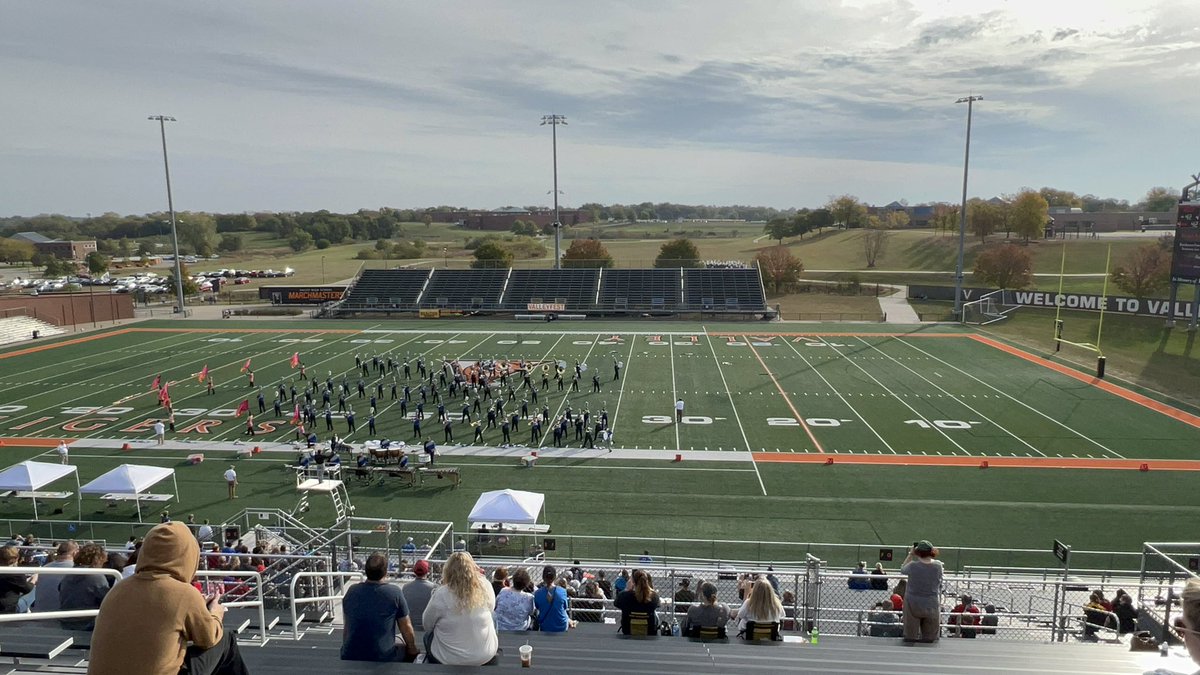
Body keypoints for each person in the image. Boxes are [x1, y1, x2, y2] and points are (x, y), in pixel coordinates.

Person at [88, 521, 249, 675]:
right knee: (226, 638)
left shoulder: (118, 590)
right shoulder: (184, 593)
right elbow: (208, 638)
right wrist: (215, 614)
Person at [421, 552, 498, 666]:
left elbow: (427, 625)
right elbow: (491, 608)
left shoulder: (441, 594)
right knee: (492, 616)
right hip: (484, 655)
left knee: (427, 636)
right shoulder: (485, 585)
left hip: (448, 658)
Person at [340, 552, 418, 662]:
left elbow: (347, 627)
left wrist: (346, 649)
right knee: (402, 640)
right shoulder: (394, 592)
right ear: (385, 572)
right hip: (383, 657)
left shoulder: (352, 591)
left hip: (350, 655)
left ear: (365, 570)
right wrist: (412, 649)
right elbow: (406, 627)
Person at [58, 543, 111, 631]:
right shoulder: (96, 576)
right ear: (99, 559)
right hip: (87, 624)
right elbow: (107, 601)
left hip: (65, 622)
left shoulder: (69, 574)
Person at [900, 540, 943, 643]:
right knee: (930, 638)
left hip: (912, 603)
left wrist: (910, 554)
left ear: (917, 551)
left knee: (910, 637)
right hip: (931, 603)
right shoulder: (938, 566)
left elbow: (902, 569)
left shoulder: (912, 566)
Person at [34, 540, 77, 612]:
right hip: (61, 617)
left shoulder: (44, 568)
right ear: (75, 553)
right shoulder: (76, 570)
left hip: (40, 614)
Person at [614, 569, 661, 636]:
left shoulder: (624, 596)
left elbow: (616, 603)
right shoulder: (654, 596)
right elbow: (658, 605)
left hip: (628, 629)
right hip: (650, 630)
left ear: (633, 582)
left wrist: (627, 590)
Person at [533, 565, 571, 633]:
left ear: (543, 577)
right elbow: (565, 607)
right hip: (562, 626)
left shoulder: (538, 593)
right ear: (555, 577)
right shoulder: (562, 591)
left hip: (546, 627)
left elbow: (537, 607)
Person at [401, 559, 437, 631]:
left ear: (414, 571)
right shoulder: (434, 588)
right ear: (428, 572)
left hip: (411, 626)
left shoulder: (405, 587)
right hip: (428, 628)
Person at [0, 545, 34, 614]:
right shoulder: (15, 572)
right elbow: (27, 589)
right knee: (34, 589)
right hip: (8, 609)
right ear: (16, 558)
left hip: (3, 604)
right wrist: (34, 580)